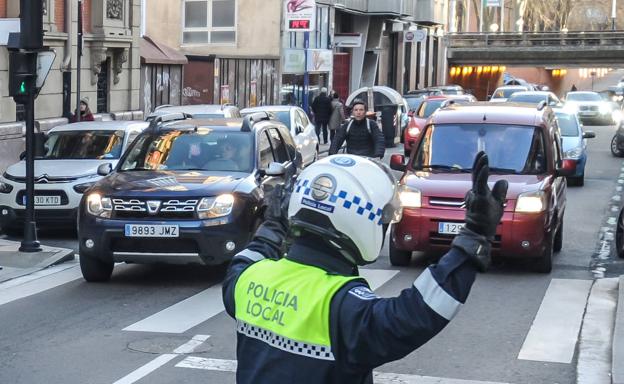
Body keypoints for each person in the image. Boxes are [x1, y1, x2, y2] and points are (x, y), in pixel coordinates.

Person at [222, 152, 508, 383]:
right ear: (358, 219)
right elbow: (420, 312)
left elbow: (247, 258)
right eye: (382, 221)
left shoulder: (247, 280)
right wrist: (474, 239)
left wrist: (275, 223)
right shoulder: (344, 306)